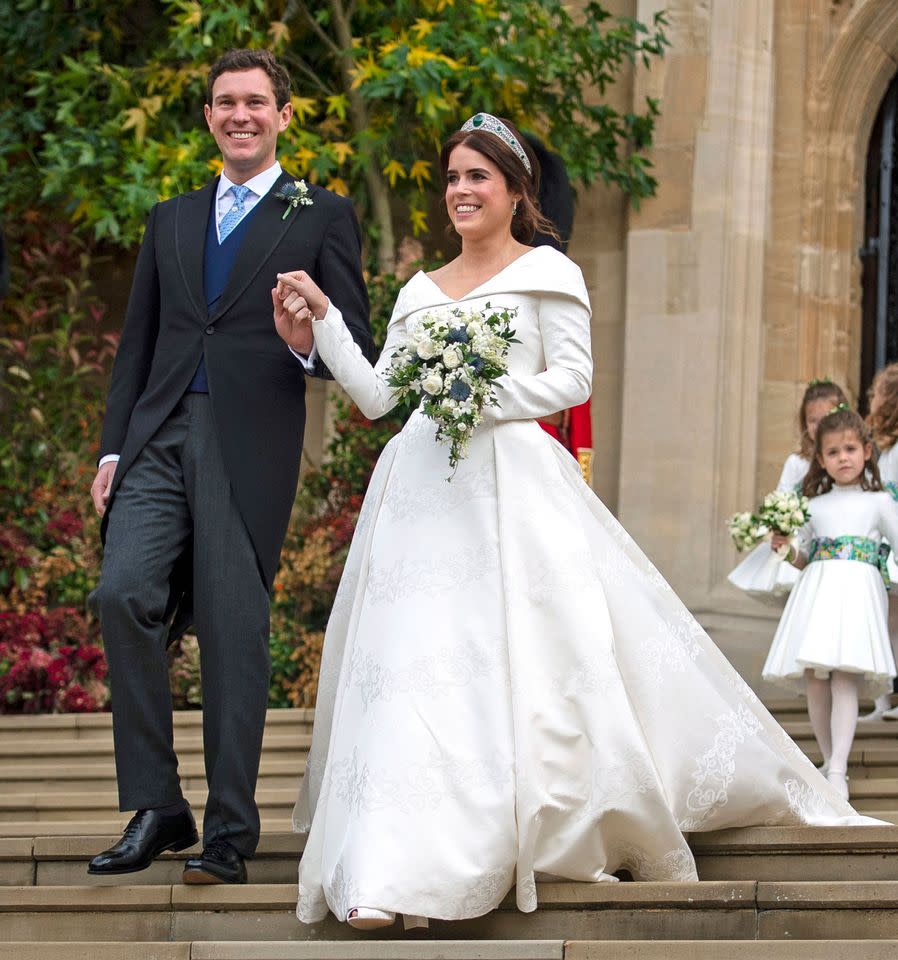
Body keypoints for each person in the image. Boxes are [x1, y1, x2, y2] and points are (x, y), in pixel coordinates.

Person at [274, 113, 877, 932]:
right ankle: (384, 869)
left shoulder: (550, 273)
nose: (461, 190)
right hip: (420, 494)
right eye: (452, 177)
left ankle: (503, 837)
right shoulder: (419, 291)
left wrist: (477, 397)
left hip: (513, 488)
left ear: (516, 191)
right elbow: (381, 396)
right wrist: (323, 328)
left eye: (478, 177)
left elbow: (572, 380)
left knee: (512, 664)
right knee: (414, 668)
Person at [86, 48, 372, 885]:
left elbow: (351, 347)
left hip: (249, 442)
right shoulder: (170, 217)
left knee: (232, 634)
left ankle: (229, 833)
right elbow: (137, 343)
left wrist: (306, 344)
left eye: (255, 101)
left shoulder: (321, 215)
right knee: (120, 593)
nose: (239, 114)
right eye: (224, 102)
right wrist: (112, 446)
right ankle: (158, 804)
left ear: (284, 114)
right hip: (157, 434)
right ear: (209, 117)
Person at [762, 408, 898, 798]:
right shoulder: (813, 505)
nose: (844, 458)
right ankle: (827, 758)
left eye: (851, 449)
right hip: (818, 593)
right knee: (816, 680)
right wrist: (785, 549)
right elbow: (803, 556)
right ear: (821, 459)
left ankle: (839, 768)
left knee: (843, 676)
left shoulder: (879, 502)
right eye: (834, 452)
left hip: (857, 594)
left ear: (867, 451)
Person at [728, 379, 847, 598]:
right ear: (804, 423)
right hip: (801, 538)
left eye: (826, 419)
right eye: (813, 420)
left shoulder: (846, 461)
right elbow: (782, 495)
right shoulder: (797, 462)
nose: (819, 426)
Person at [861, 364, 898, 720]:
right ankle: (883, 700)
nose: (871, 400)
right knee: (888, 623)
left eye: (877, 394)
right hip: (888, 546)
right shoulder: (884, 450)